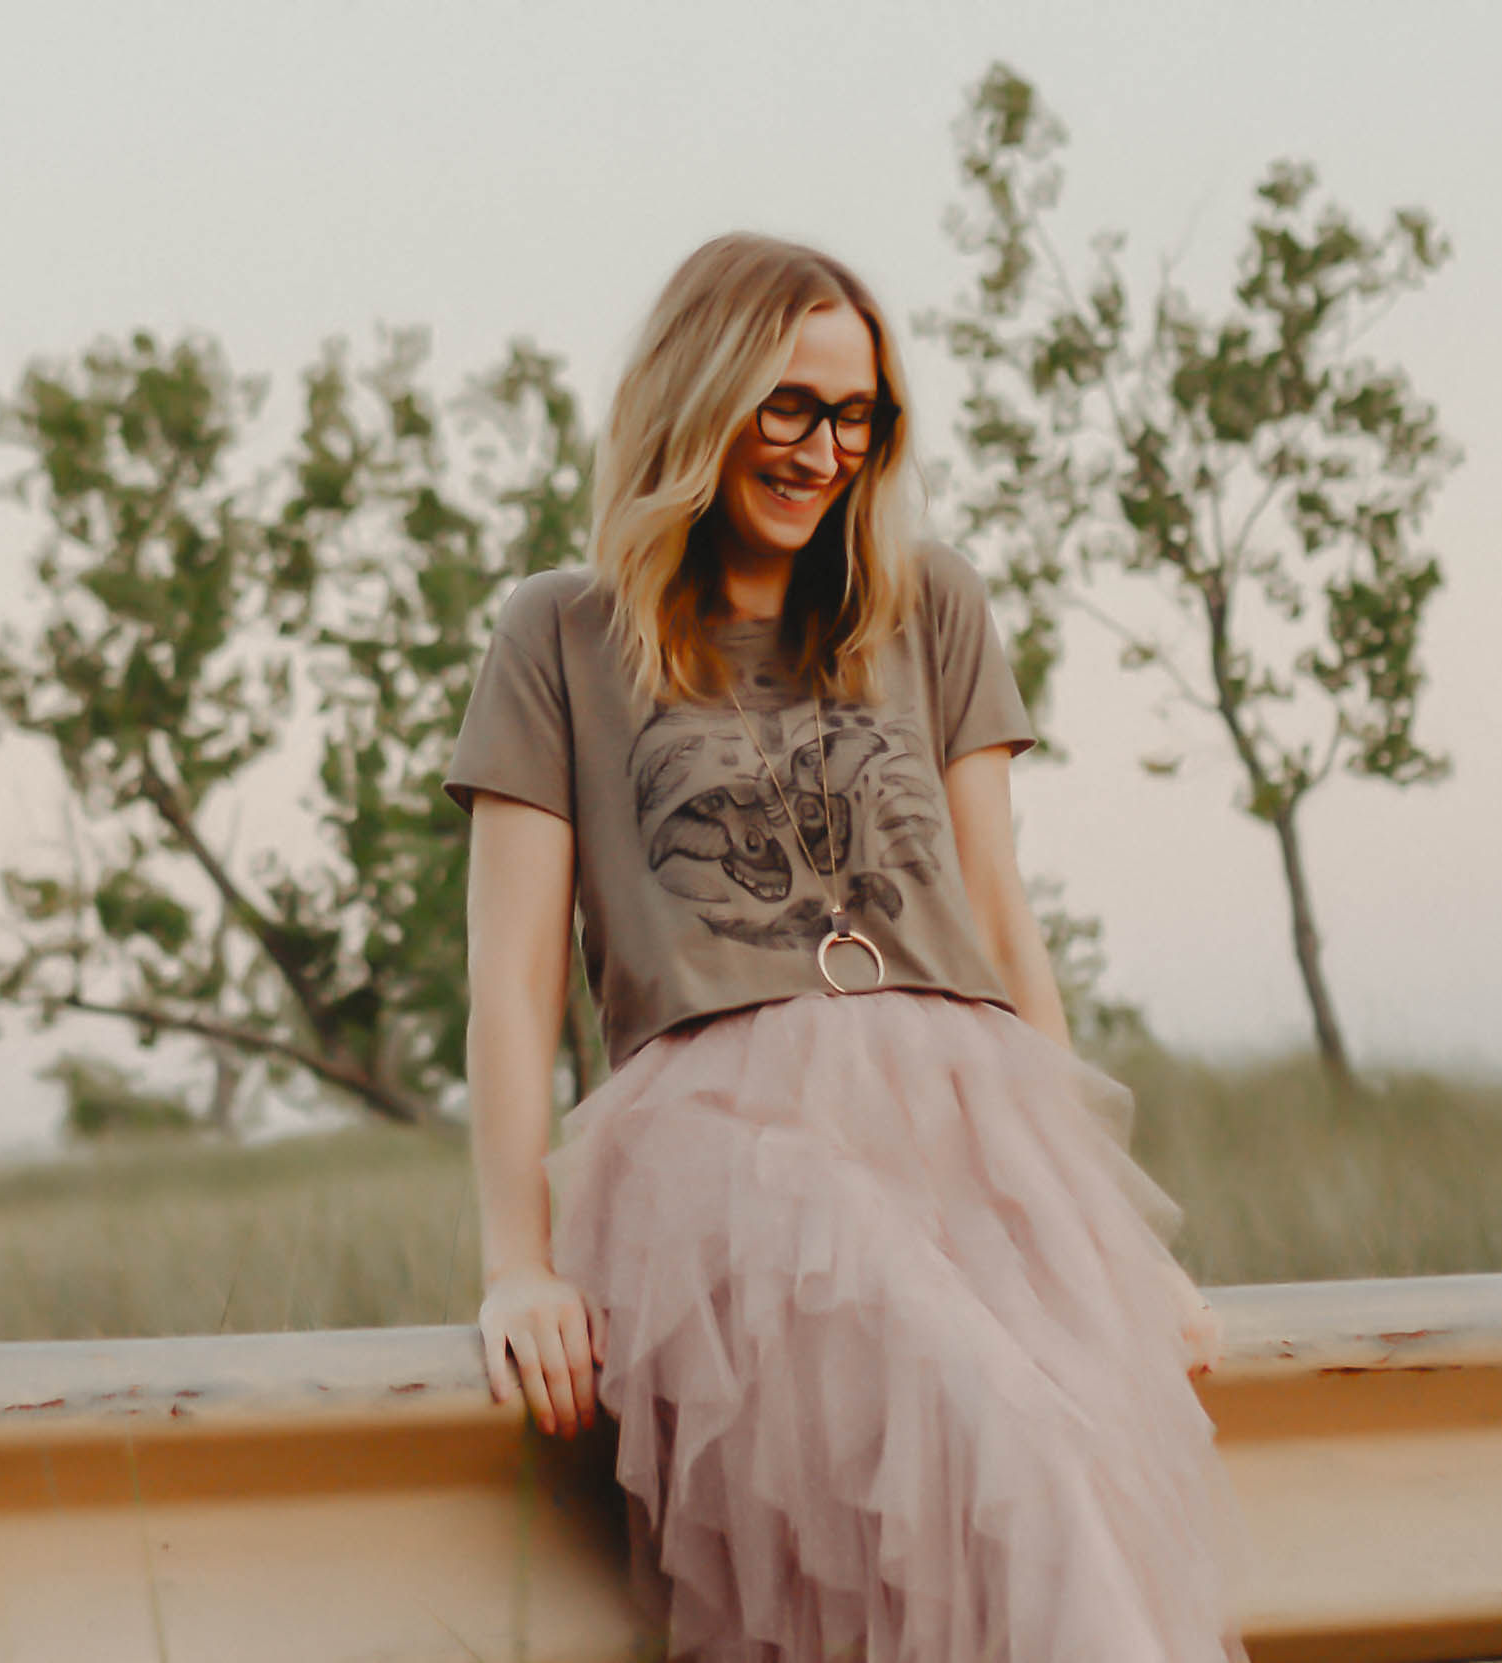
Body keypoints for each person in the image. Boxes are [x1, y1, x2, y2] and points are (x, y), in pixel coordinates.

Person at [444, 232, 1242, 1663]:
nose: (824, 452)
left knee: (1061, 1475)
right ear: (702, 396)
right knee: (1011, 1450)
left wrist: (1106, 1247)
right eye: (791, 407)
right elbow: (509, 982)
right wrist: (520, 1263)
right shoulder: (560, 632)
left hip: (965, 1116)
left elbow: (999, 916)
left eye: (858, 417)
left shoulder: (929, 605)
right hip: (726, 1145)